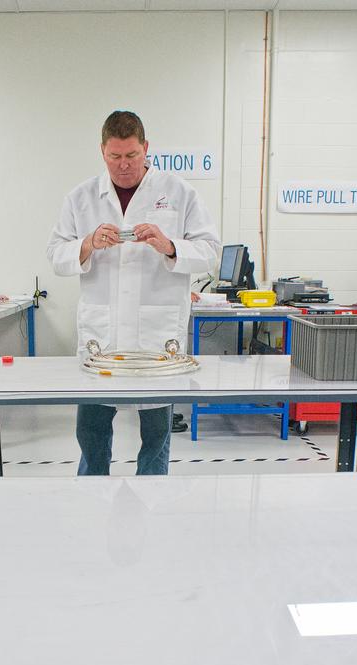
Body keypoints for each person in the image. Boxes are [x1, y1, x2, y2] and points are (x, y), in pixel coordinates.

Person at [46, 110, 219, 476]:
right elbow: (56, 256)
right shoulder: (81, 198)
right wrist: (88, 243)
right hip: (101, 338)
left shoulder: (179, 193)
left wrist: (169, 245)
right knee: (90, 431)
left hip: (157, 340)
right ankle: (93, 496)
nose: (123, 166)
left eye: (131, 156)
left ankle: (151, 506)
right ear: (102, 152)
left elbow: (209, 250)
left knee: (156, 436)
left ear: (146, 149)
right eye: (115, 157)